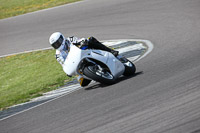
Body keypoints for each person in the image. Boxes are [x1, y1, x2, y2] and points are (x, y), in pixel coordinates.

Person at [49, 32, 119, 87]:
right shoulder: (58, 55)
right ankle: (95, 74)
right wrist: (67, 72)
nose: (57, 45)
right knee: (83, 84)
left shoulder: (70, 39)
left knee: (91, 39)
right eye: (55, 45)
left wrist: (83, 42)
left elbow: (80, 40)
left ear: (62, 38)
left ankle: (110, 51)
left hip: (84, 53)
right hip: (76, 65)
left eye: (58, 43)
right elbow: (64, 64)